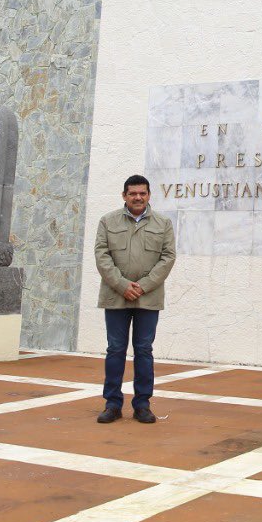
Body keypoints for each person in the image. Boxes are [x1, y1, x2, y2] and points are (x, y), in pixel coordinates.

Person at [94, 174, 176, 424]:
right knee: (115, 349)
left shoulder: (163, 223)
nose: (138, 197)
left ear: (149, 195)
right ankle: (112, 403)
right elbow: (102, 255)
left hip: (147, 298)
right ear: (124, 196)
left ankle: (142, 404)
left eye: (142, 193)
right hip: (116, 296)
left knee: (144, 350)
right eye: (133, 193)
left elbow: (168, 258)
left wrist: (142, 286)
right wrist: (121, 285)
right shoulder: (107, 221)